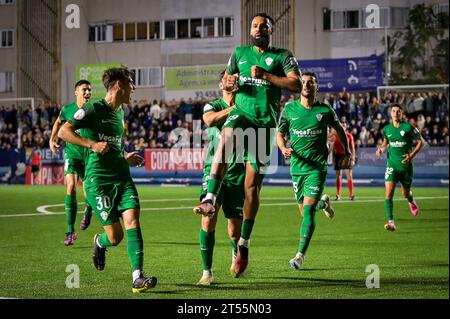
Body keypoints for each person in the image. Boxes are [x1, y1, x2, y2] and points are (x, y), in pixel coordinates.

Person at [193, 12, 301, 276]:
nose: (257, 29)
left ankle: (244, 243)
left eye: (262, 25)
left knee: (252, 188)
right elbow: (229, 80)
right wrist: (230, 82)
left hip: (265, 125)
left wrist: (267, 76)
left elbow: (296, 83)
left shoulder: (281, 56)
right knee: (226, 139)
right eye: (254, 25)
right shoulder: (239, 53)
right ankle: (209, 198)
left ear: (270, 30)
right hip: (242, 113)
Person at [58, 67, 157, 293]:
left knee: (133, 222)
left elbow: (113, 145)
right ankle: (99, 243)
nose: (133, 88)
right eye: (131, 83)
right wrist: (91, 144)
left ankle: (137, 278)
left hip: (122, 178)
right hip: (98, 181)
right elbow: (64, 131)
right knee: (115, 237)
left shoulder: (120, 113)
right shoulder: (93, 109)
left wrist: (125, 156)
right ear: (119, 85)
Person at [277, 72, 351, 270]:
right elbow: (280, 133)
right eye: (303, 82)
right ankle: (323, 203)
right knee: (305, 211)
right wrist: (283, 148)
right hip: (297, 168)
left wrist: (348, 151)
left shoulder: (325, 110)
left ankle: (300, 256)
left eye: (311, 82)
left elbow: (339, 129)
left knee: (308, 211)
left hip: (317, 167)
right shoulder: (290, 109)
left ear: (317, 87)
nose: (307, 85)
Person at [195, 71, 245, 285]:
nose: (230, 79)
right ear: (221, 83)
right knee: (208, 219)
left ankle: (236, 252)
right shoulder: (213, 105)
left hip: (237, 172)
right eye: (226, 77)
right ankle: (207, 272)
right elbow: (209, 120)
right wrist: (237, 109)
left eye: (234, 77)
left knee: (234, 230)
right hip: (213, 170)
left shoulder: (247, 105)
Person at [50, 80, 93, 246]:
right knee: (71, 188)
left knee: (89, 192)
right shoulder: (67, 109)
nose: (87, 93)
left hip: (89, 155)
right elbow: (58, 122)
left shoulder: (92, 109)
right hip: (72, 155)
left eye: (89, 90)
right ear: (76, 92)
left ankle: (88, 211)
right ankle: (70, 230)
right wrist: (52, 139)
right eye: (84, 90)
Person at [376, 104, 425, 232]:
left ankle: (411, 200)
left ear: (402, 114)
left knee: (405, 193)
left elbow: (421, 142)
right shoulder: (387, 129)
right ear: (390, 113)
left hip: (406, 166)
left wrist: (411, 155)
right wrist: (381, 148)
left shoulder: (408, 127)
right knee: (388, 193)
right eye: (393, 111)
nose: (396, 113)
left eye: (398, 111)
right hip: (391, 165)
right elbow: (386, 141)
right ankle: (391, 222)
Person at [332, 122, 356, 201]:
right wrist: (333, 159)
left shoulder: (349, 136)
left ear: (346, 127)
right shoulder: (336, 136)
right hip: (338, 156)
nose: (343, 127)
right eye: (341, 125)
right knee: (339, 175)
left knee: (349, 175)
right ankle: (338, 195)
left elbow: (352, 148)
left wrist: (352, 158)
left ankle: (351, 194)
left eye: (344, 126)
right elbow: (333, 149)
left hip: (347, 155)